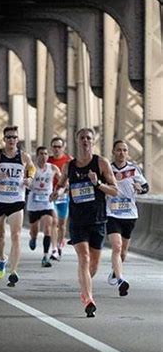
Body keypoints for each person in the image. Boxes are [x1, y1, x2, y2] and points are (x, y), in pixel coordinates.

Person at [52, 128, 118, 317]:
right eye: (82, 138)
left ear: (93, 141)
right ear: (76, 141)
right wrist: (57, 192)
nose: (85, 141)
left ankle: (84, 285)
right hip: (78, 220)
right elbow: (62, 184)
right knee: (84, 257)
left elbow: (115, 191)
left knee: (94, 265)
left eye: (88, 138)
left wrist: (97, 183)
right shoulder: (69, 166)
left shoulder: (101, 163)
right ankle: (89, 299)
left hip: (97, 219)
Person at [0, 126, 36, 287]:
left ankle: (13, 271)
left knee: (16, 235)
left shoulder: (24, 157)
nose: (11, 140)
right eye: (8, 137)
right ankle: (2, 259)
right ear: (4, 140)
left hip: (17, 199)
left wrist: (29, 179)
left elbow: (31, 168)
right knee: (0, 236)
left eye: (14, 137)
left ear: (18, 140)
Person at [106, 140, 149, 296]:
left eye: (124, 150)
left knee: (123, 252)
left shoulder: (133, 169)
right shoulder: (107, 169)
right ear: (113, 151)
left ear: (127, 153)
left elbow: (146, 187)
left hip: (130, 214)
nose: (122, 153)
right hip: (112, 213)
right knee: (116, 247)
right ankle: (121, 280)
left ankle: (115, 272)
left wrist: (140, 188)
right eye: (119, 150)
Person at [27, 146, 61, 267]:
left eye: (46, 153)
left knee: (48, 227)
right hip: (34, 202)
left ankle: (45, 256)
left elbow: (63, 181)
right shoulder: (32, 168)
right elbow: (26, 179)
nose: (44, 156)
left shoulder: (52, 168)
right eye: (41, 153)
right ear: (37, 155)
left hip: (47, 201)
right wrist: (27, 183)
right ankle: (33, 238)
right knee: (34, 230)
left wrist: (59, 191)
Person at [47, 137, 73, 260]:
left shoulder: (69, 161)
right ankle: (54, 249)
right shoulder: (48, 160)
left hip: (64, 196)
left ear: (63, 148)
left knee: (62, 224)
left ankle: (59, 244)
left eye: (59, 147)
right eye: (54, 146)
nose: (56, 149)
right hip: (51, 195)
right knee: (54, 222)